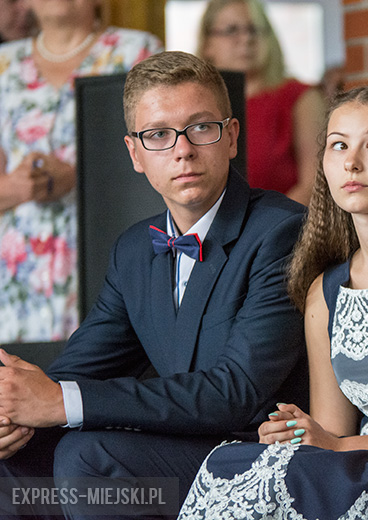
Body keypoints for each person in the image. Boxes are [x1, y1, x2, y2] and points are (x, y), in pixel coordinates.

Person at [0, 50, 308, 516]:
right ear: (135, 154)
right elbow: (78, 371)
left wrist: (60, 402)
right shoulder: (133, 250)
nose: (182, 150)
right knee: (12, 466)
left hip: (258, 455)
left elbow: (235, 393)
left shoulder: (281, 231)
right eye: (159, 135)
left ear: (231, 137)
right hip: (175, 451)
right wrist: (14, 413)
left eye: (200, 128)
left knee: (90, 460)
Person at [178, 85, 368, 519]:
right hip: (353, 464)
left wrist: (336, 445)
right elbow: (332, 430)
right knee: (237, 462)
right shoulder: (325, 291)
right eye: (338, 145)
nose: (352, 162)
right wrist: (301, 433)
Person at [0, 0, 162, 343]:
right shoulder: (4, 63)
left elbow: (165, 156)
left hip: (107, 255)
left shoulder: (136, 51)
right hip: (18, 275)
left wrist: (78, 178)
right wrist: (16, 187)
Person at [197, 0, 326, 205]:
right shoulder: (197, 104)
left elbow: (315, 184)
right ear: (207, 44)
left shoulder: (301, 97)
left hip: (287, 221)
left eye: (253, 29)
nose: (246, 39)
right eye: (232, 30)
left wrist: (269, 222)